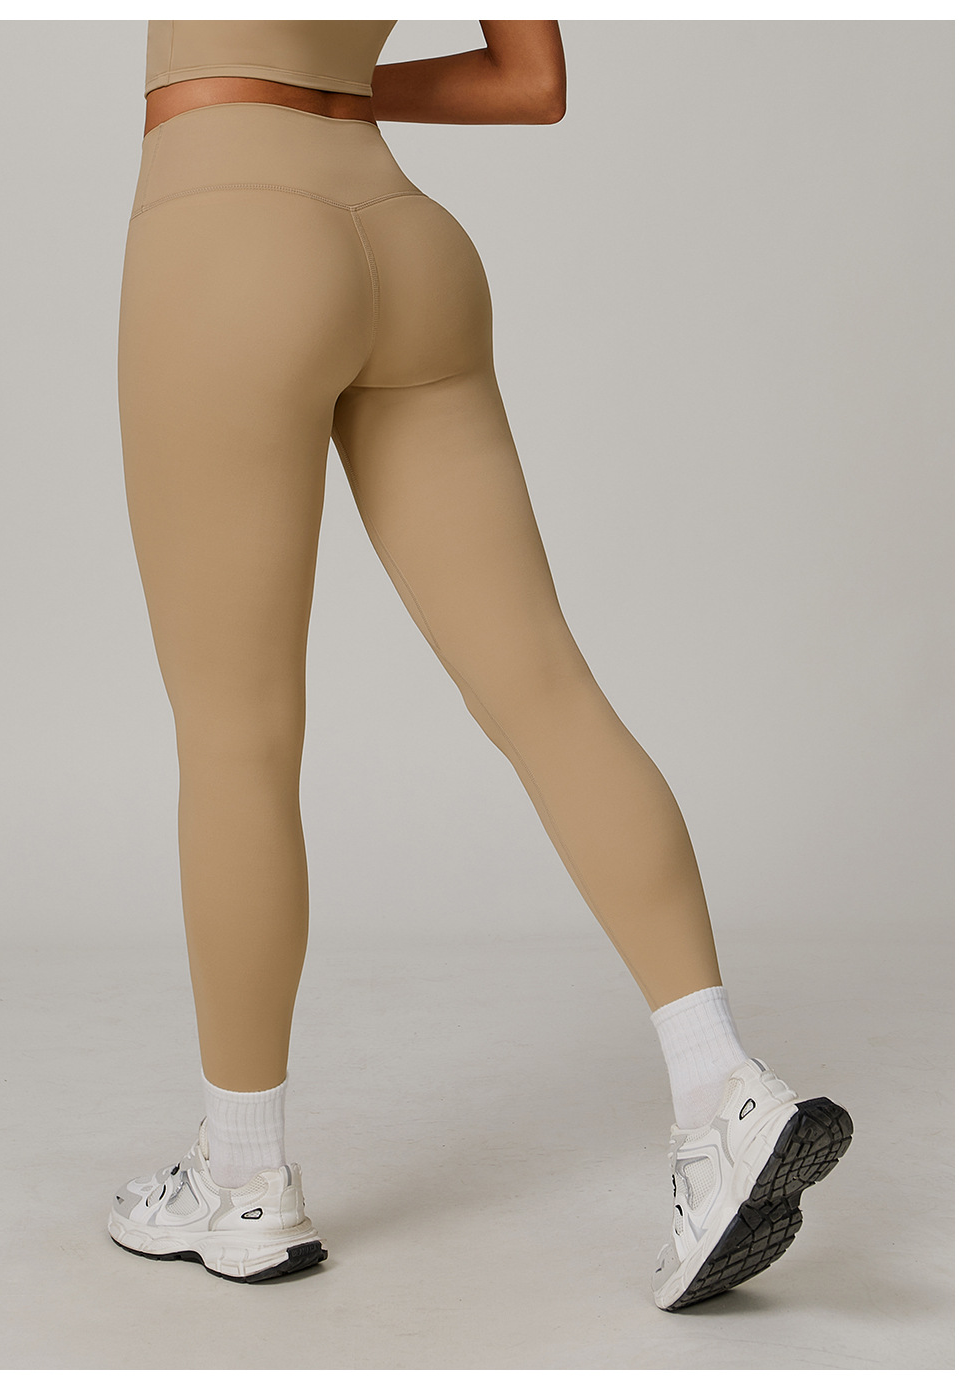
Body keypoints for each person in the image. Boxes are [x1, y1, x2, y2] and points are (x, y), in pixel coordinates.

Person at [107, 19, 852, 1309]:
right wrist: (335, 89)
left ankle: (243, 1180)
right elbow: (530, 81)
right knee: (545, 689)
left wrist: (276, 89)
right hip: (407, 240)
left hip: (227, 229)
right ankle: (723, 1088)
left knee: (236, 737)